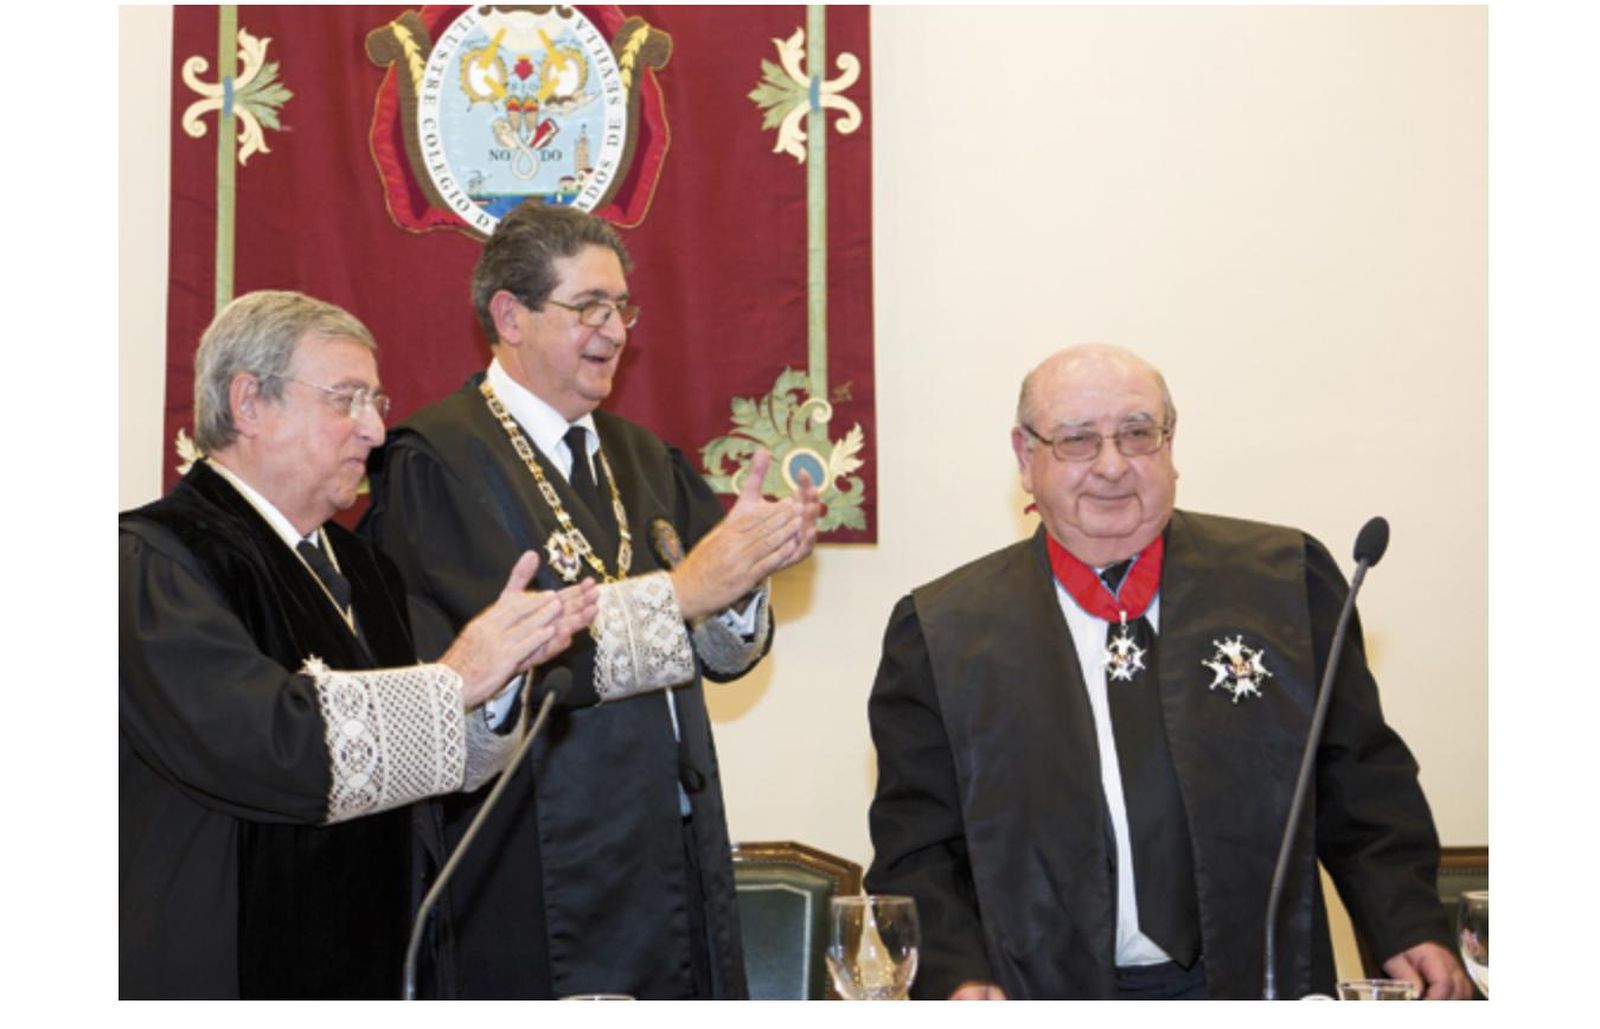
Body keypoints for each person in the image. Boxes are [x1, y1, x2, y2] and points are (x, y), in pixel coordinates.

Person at [864, 344, 1473, 1000]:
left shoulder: (1285, 582)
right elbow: (916, 845)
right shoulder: (942, 631)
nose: (1112, 465)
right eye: (1075, 440)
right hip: (1038, 992)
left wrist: (1407, 923)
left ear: (1170, 443)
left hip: (1257, 984)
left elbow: (1362, 784)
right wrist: (958, 973)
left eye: (1137, 433)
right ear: (1024, 456)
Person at [361, 202, 821, 999]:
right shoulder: (437, 463)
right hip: (532, 858)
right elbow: (505, 665)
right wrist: (685, 590)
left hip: (669, 849)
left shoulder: (643, 456)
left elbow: (721, 657)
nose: (614, 330)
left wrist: (744, 578)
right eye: (588, 308)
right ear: (510, 315)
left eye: (622, 308)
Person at [120, 290, 597, 999]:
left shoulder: (365, 565)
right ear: (249, 403)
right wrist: (459, 677)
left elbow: (440, 747)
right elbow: (266, 742)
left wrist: (500, 679)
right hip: (234, 966)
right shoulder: (152, 560)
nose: (375, 430)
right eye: (347, 399)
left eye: (377, 400)